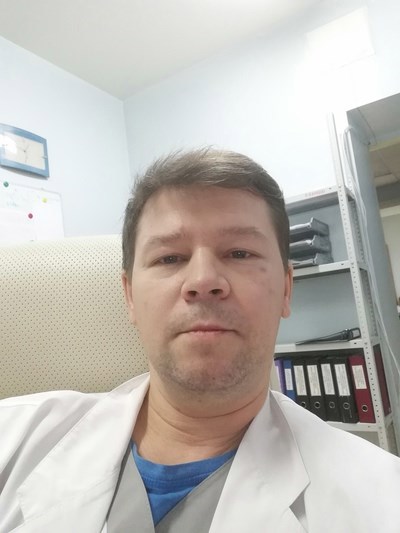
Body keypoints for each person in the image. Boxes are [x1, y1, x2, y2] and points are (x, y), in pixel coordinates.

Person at [1, 148, 400, 533]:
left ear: (286, 289)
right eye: (169, 258)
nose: (204, 281)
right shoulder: (15, 436)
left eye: (240, 253)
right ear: (129, 296)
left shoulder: (383, 501)